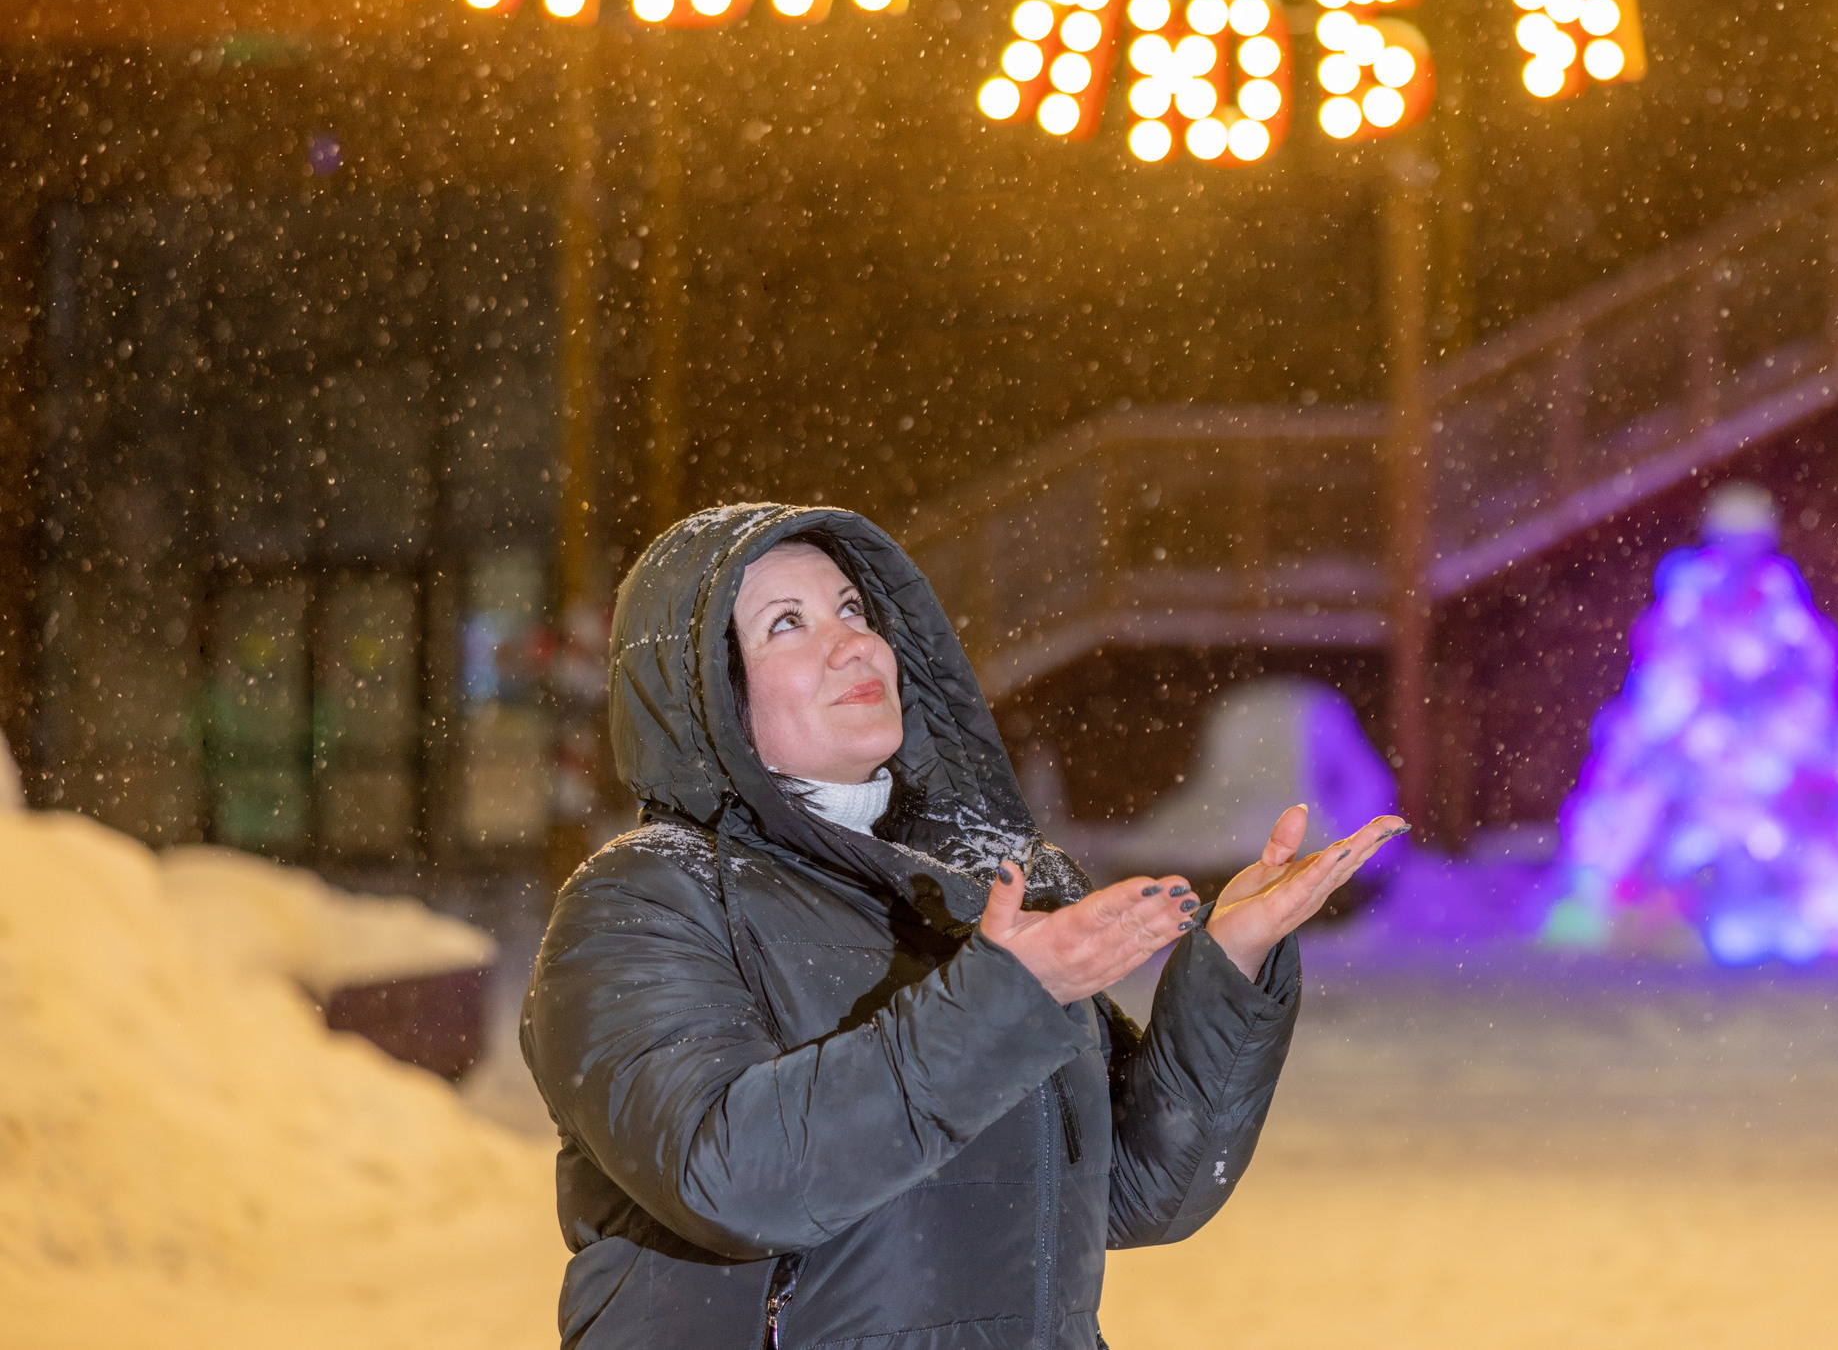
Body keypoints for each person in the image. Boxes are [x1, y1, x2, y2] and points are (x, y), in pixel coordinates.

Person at [523, 503, 1405, 1350]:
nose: (853, 643)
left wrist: (1233, 963)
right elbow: (730, 1179)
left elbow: (1136, 1189)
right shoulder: (646, 900)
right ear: (705, 691)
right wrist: (1005, 1000)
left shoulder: (975, 891)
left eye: (853, 609)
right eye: (787, 624)